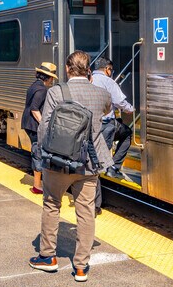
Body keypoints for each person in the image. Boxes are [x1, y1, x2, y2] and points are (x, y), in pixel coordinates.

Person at [29, 51, 113, 283]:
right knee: (86, 212)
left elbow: (45, 128)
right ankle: (81, 267)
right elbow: (106, 111)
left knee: (51, 205)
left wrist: (44, 155)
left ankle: (48, 257)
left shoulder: (56, 92)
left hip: (57, 162)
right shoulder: (101, 94)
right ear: (88, 70)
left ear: (67, 69)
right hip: (88, 164)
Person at [91, 57, 136, 213]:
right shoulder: (108, 82)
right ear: (107, 69)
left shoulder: (87, 79)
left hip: (90, 125)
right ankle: (113, 167)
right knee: (128, 133)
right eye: (111, 70)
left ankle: (108, 168)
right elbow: (120, 103)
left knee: (93, 160)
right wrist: (132, 110)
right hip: (106, 125)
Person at [21, 62, 58, 195]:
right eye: (52, 77)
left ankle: (40, 183)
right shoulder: (42, 89)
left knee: (37, 151)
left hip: (28, 123)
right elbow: (34, 108)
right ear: (47, 77)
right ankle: (37, 186)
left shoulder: (34, 85)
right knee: (38, 152)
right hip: (34, 125)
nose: (52, 80)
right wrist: (44, 124)